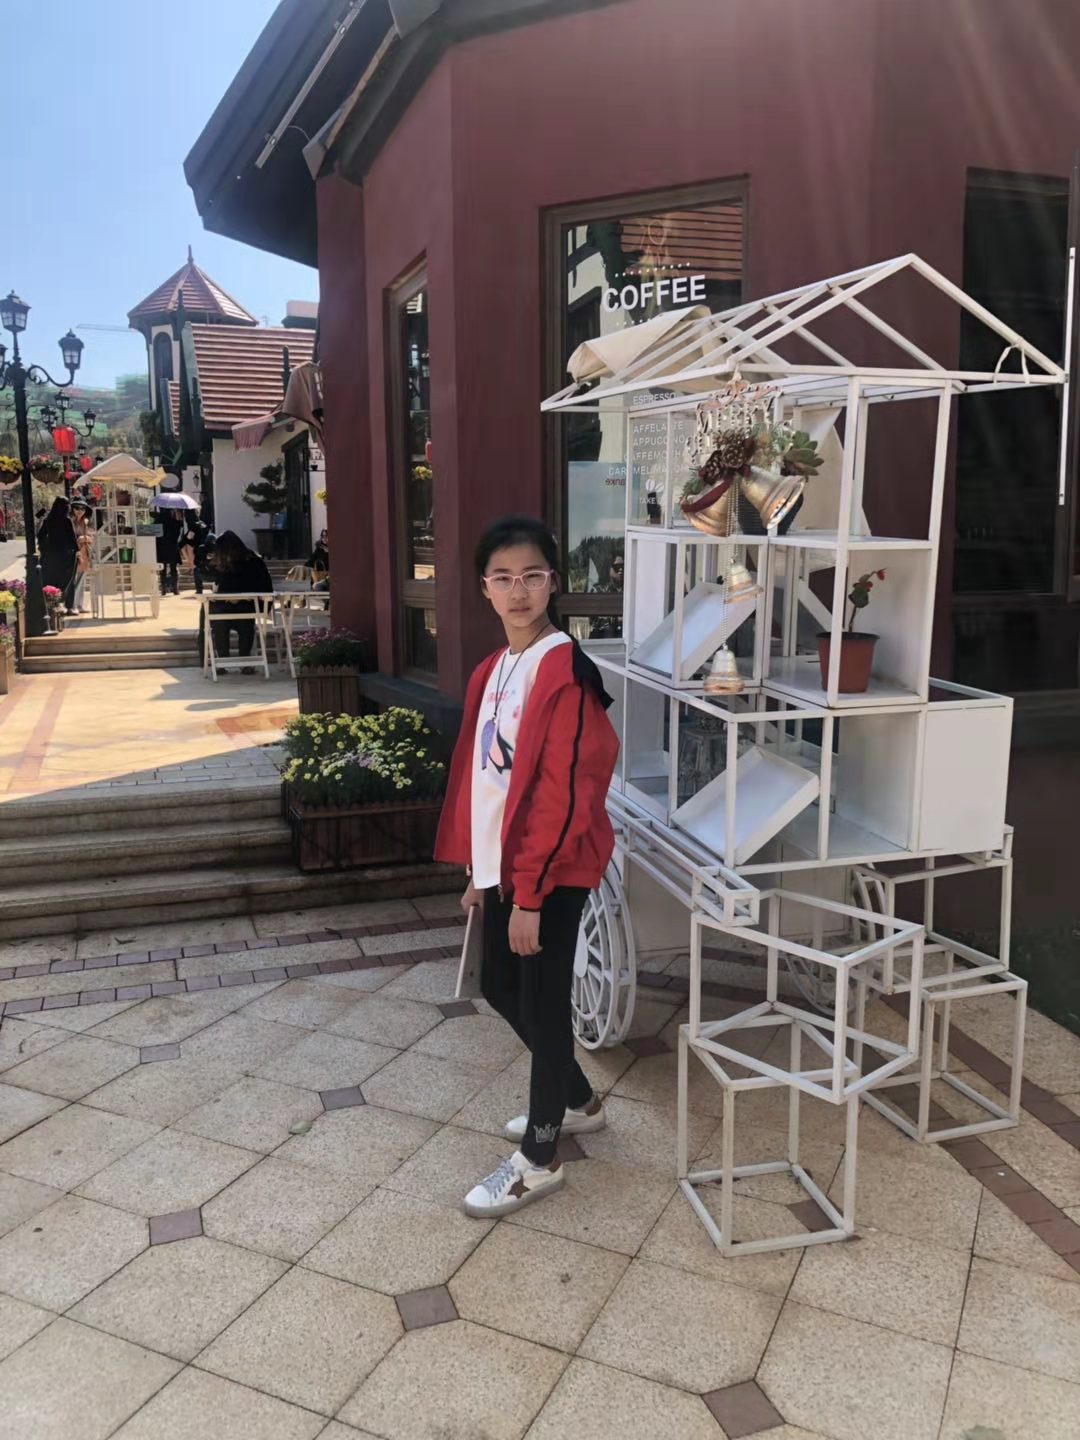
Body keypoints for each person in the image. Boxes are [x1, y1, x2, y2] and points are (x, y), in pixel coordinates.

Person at [434, 515, 619, 1219]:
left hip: (554, 869)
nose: (519, 591)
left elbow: (566, 792)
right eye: (504, 577)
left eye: (532, 576)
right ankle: (578, 1100)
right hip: (510, 869)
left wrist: (533, 895)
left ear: (553, 583)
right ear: (484, 587)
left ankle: (540, 1159)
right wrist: (481, 872)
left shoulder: (564, 669)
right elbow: (486, 782)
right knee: (501, 987)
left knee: (541, 1003)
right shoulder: (496, 668)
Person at [206, 530, 273, 662]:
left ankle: (229, 661)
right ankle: (232, 661)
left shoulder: (251, 562)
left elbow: (262, 587)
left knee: (234, 622)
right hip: (236, 607)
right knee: (220, 622)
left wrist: (240, 597)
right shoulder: (237, 562)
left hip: (247, 606)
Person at [37, 498, 77, 612]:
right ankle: (67, 606)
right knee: (67, 581)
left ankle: (51, 606)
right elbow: (72, 539)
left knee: (50, 581)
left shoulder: (48, 520)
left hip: (50, 556)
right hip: (65, 557)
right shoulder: (66, 521)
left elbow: (40, 535)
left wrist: (43, 549)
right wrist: (75, 551)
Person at [70, 500, 94, 614]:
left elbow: (91, 537)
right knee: (74, 581)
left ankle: (79, 605)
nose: (80, 511)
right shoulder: (70, 522)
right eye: (77, 508)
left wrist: (85, 538)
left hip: (84, 553)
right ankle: (72, 605)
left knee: (82, 581)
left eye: (82, 509)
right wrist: (81, 539)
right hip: (75, 554)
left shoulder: (85, 522)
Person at [157, 507, 184, 596]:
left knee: (162, 568)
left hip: (161, 547)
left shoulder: (158, 521)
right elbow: (178, 533)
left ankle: (163, 589)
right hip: (172, 547)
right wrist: (179, 519)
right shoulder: (174, 522)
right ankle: (175, 588)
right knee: (173, 568)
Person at [185, 517, 216, 596]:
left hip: (200, 550)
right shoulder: (217, 548)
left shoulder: (194, 529)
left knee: (196, 569)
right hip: (215, 573)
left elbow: (188, 539)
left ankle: (199, 590)